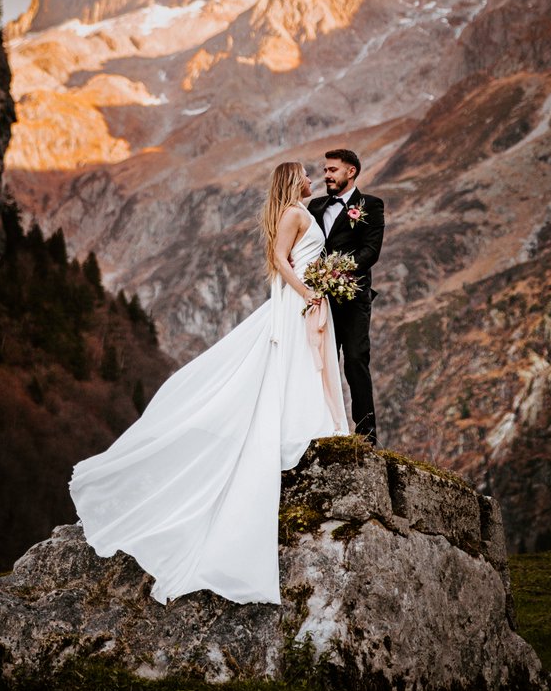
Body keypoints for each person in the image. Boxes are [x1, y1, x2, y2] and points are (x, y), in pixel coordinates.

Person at [69, 162, 348, 606]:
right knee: (290, 365)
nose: (312, 179)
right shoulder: (294, 214)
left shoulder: (299, 211)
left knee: (302, 366)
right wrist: (308, 292)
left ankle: (307, 423)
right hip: (301, 302)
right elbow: (280, 260)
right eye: (305, 175)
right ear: (293, 181)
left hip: (309, 301)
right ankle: (296, 426)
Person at [308, 149, 385, 444]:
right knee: (320, 363)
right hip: (320, 301)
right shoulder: (315, 206)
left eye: (332, 170)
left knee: (355, 360)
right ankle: (322, 429)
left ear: (350, 172)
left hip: (353, 299)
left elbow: (370, 252)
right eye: (325, 170)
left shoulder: (371, 205)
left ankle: (366, 435)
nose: (326, 175)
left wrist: (336, 272)